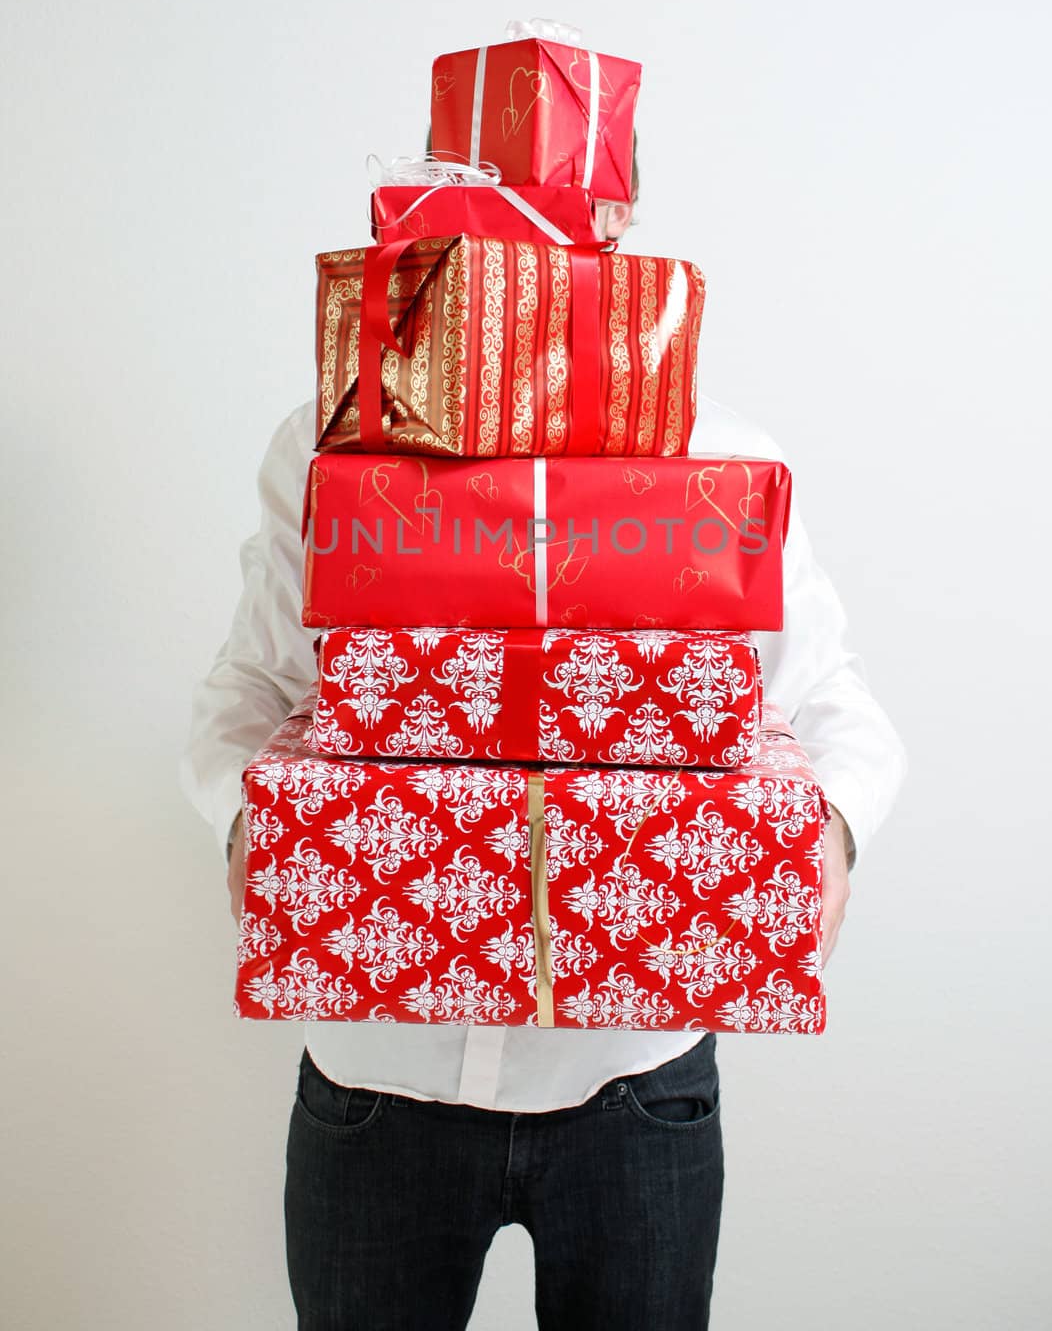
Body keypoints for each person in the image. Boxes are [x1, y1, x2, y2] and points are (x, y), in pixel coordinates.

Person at [180, 184, 906, 1330]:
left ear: (618, 230)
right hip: (378, 1078)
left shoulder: (722, 458)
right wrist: (243, 822)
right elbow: (254, 690)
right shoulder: (329, 438)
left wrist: (826, 831)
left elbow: (829, 703)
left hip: (636, 1079)